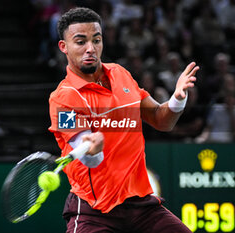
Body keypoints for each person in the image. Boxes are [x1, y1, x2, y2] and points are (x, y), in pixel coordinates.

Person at [48, 7, 198, 233]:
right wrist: (94, 149)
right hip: (94, 210)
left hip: (140, 204)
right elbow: (87, 156)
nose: (91, 49)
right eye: (80, 42)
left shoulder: (120, 74)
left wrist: (177, 100)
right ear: (64, 47)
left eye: (96, 40)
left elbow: (161, 120)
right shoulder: (63, 98)